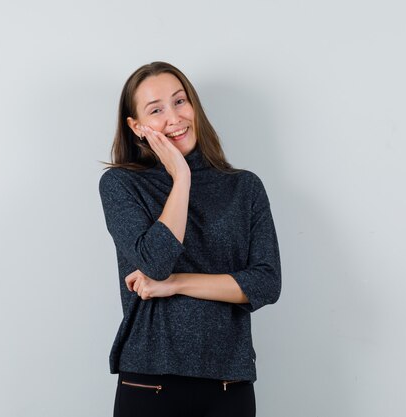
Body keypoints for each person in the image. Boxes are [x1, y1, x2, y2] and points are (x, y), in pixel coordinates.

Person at [99, 61, 281, 417]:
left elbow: (266, 283)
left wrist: (176, 284)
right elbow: (156, 261)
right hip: (151, 381)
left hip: (229, 383)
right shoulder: (122, 185)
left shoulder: (244, 188)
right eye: (156, 110)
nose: (174, 118)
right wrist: (181, 178)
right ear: (136, 127)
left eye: (180, 101)